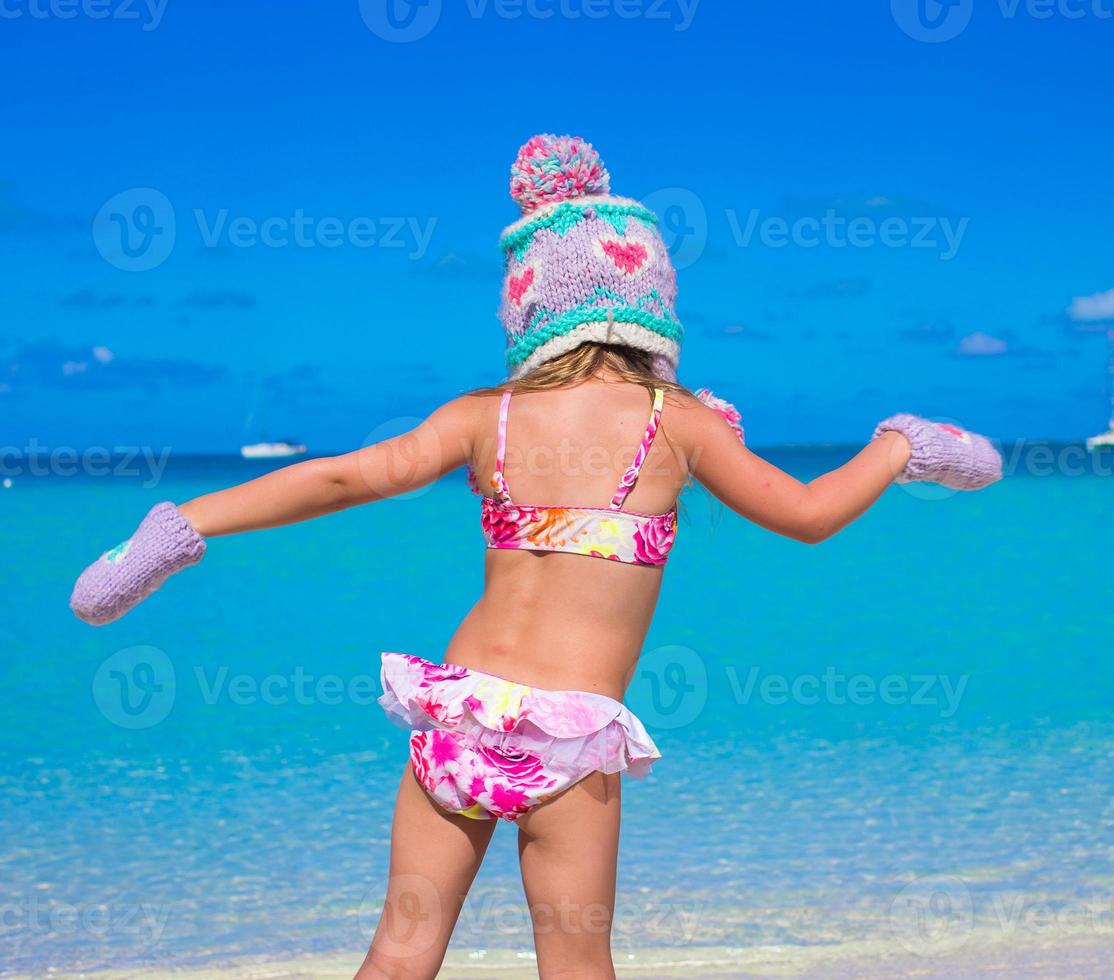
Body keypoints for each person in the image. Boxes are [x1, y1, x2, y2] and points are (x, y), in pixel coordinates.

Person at [69, 134, 1002, 979]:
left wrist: (188, 525)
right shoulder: (676, 426)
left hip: (461, 713)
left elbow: (346, 480)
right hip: (564, 736)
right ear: (651, 301)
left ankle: (171, 529)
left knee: (398, 955)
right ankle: (911, 438)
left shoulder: (488, 417)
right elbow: (806, 514)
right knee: (575, 964)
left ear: (527, 309)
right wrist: (895, 450)